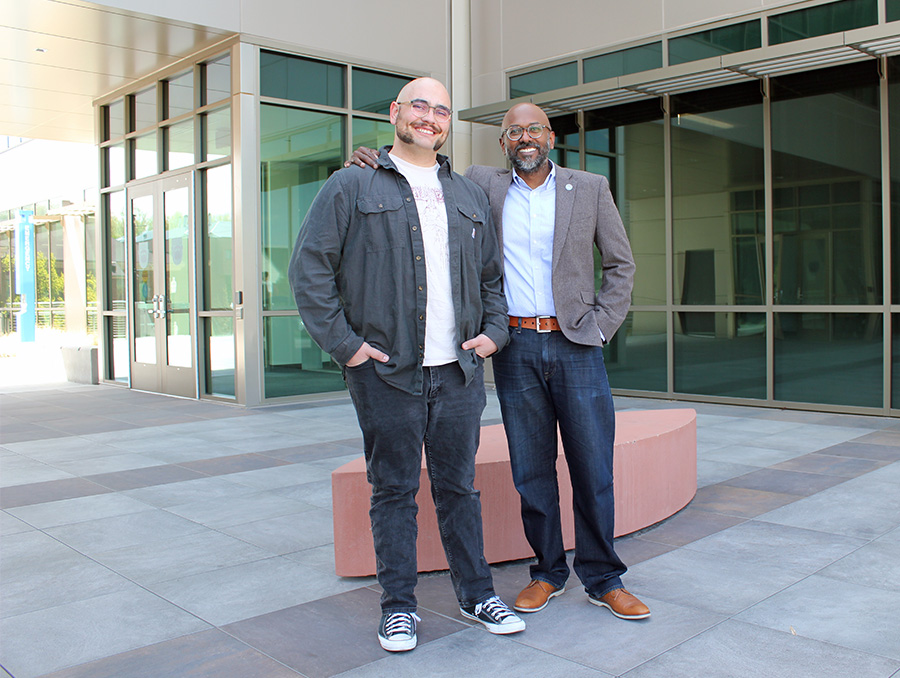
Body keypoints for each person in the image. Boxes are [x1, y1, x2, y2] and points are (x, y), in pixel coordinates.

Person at [348, 102, 649, 621]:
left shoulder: (590, 187)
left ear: (550, 137)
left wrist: (600, 326)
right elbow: (419, 169)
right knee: (531, 469)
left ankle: (603, 577)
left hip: (576, 345)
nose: (524, 137)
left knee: (593, 466)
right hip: (513, 347)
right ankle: (548, 572)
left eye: (533, 129)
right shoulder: (480, 184)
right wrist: (372, 161)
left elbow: (620, 263)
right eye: (513, 132)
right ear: (503, 142)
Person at [289, 77, 525, 654]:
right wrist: (347, 347)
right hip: (385, 373)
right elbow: (310, 270)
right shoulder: (352, 184)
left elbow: (493, 278)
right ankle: (398, 607)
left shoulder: (468, 194)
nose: (430, 116)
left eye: (441, 110)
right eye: (419, 104)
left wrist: (494, 334)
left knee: (459, 489)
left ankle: (477, 594)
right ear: (395, 112)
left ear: (449, 124)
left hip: (459, 372)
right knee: (392, 490)